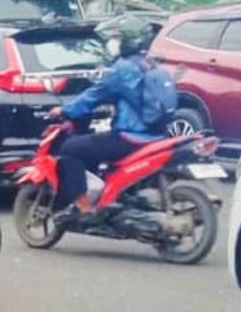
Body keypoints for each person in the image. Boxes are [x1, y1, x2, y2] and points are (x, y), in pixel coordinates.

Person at [48, 15, 167, 223]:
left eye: (118, 38)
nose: (114, 43)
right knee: (93, 145)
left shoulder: (123, 69)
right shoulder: (152, 65)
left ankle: (84, 206)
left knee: (70, 148)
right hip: (157, 136)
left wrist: (66, 111)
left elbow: (94, 95)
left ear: (131, 40)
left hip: (129, 138)